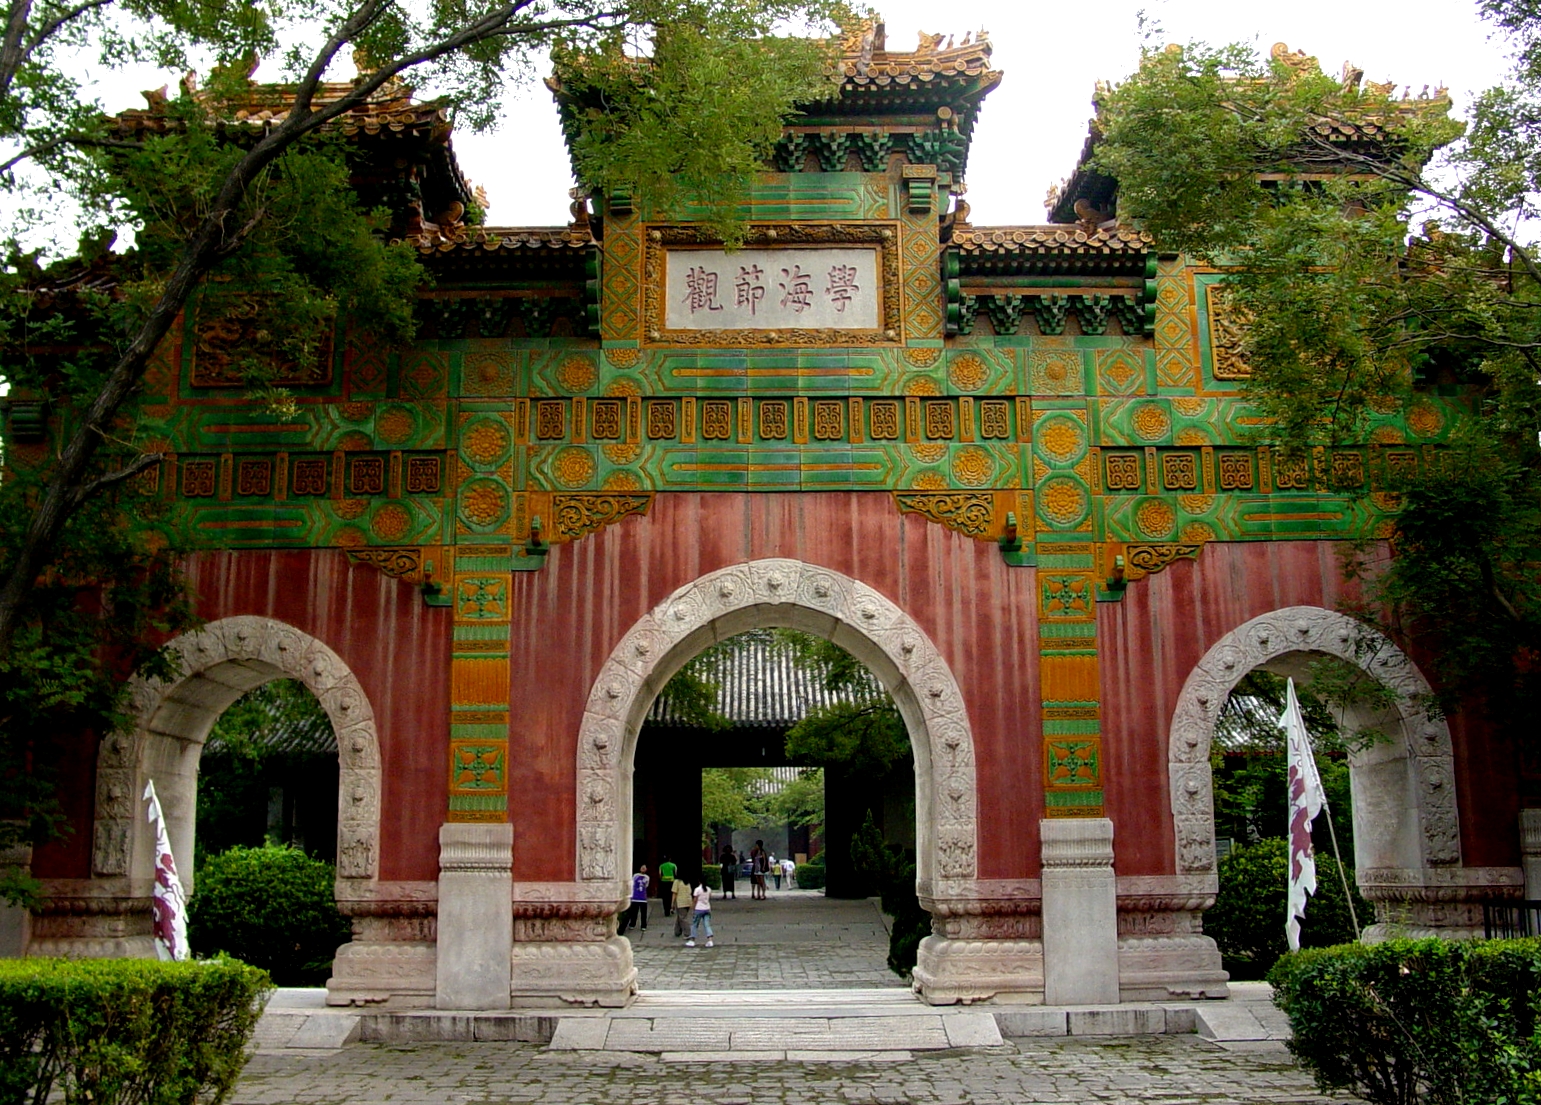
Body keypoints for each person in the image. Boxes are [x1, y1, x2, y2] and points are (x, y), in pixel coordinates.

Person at [619, 863, 650, 935]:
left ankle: (643, 925)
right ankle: (632, 924)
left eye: (644, 868)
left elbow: (646, 885)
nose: (643, 869)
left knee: (643, 913)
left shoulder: (647, 877)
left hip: (643, 897)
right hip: (635, 897)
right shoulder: (635, 876)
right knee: (634, 912)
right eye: (642, 867)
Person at [685, 880, 714, 948]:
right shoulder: (709, 889)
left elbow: (695, 900)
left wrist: (693, 908)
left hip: (699, 908)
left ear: (699, 882)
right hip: (707, 908)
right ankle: (710, 940)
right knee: (707, 925)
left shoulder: (697, 889)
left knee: (695, 924)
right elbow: (709, 898)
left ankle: (692, 940)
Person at [671, 872, 693, 938]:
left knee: (682, 918)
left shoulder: (677, 882)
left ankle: (687, 933)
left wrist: (672, 904)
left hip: (681, 902)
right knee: (680, 916)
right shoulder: (687, 882)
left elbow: (674, 893)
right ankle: (677, 931)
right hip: (688, 901)